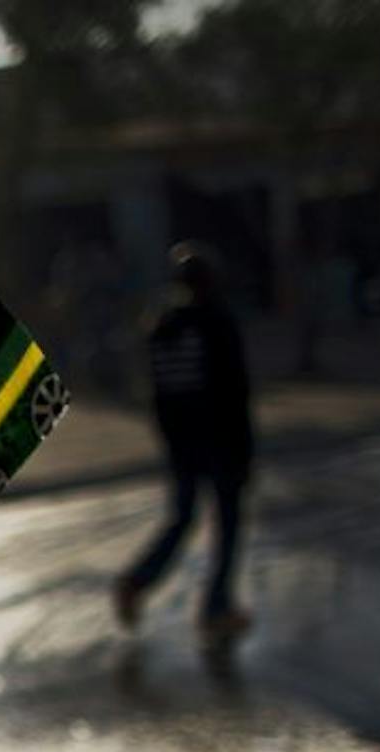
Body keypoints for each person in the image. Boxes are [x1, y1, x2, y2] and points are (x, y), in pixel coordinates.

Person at [113, 242, 255, 644]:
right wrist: (244, 449)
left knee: (182, 517)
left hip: (181, 443)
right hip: (221, 441)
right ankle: (217, 607)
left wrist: (172, 439)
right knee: (228, 524)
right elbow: (234, 391)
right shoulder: (217, 322)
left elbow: (158, 394)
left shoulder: (160, 328)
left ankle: (137, 581)